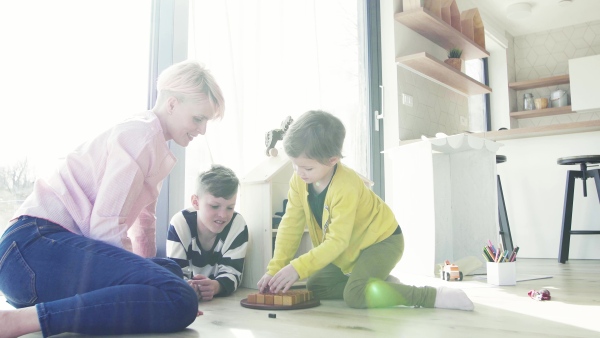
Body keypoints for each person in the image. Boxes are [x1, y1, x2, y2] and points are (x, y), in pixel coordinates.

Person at [0, 60, 225, 338]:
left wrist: (154, 284)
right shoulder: (140, 136)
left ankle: (50, 309)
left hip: (33, 263)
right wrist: (155, 289)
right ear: (172, 104)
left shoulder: (153, 144)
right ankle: (19, 322)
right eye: (198, 118)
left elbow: (144, 223)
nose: (202, 130)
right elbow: (105, 225)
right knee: (180, 298)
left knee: (169, 271)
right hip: (33, 248)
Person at [257, 110, 474, 311]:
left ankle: (429, 296)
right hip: (350, 249)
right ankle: (376, 284)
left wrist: (296, 267)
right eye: (295, 165)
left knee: (355, 296)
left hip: (382, 242)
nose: (299, 173)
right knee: (315, 286)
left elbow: (336, 241)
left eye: (307, 168)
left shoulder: (346, 185)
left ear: (333, 160)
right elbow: (290, 225)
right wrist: (275, 268)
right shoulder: (299, 180)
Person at [166, 164, 248, 302]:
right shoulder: (180, 222)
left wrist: (216, 286)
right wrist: (188, 287)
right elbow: (174, 273)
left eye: (230, 207)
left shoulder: (237, 223)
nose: (223, 215)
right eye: (214, 206)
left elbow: (233, 273)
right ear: (195, 202)